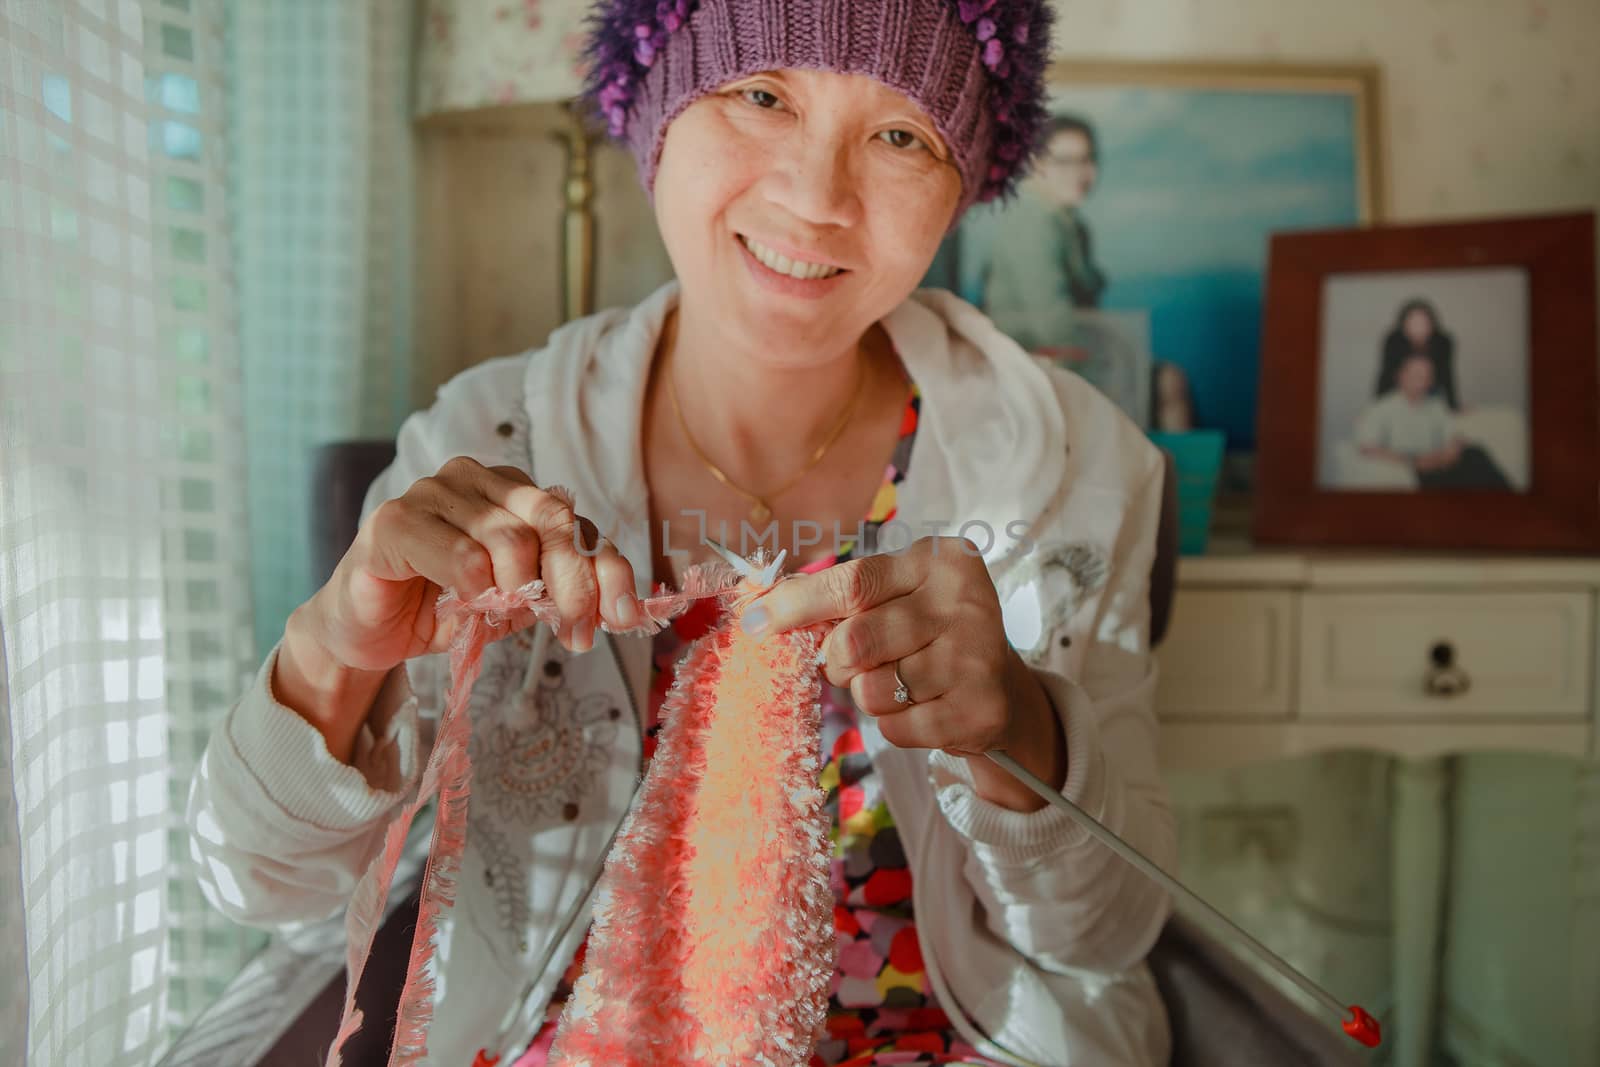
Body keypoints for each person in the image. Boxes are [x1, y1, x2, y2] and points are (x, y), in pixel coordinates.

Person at [186, 2, 1174, 1064]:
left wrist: (1022, 733)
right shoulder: (485, 438)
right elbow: (261, 883)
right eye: (761, 96)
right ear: (654, 114)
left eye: (900, 135)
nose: (814, 199)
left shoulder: (1073, 467)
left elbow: (1099, 936)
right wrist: (334, 652)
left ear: (963, 183)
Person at [973, 113, 1108, 352]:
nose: (1079, 172)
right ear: (1035, 165)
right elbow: (1053, 323)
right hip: (1029, 366)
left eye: (1087, 159)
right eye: (1064, 161)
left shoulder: (1070, 223)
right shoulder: (1032, 219)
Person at [1356, 353, 1509, 489]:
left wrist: (1453, 448)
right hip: (1414, 464)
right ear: (1400, 376)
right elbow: (1368, 447)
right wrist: (1413, 461)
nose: (1422, 379)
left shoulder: (1436, 405)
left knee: (1475, 453)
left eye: (1427, 375)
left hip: (1441, 460)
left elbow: (1451, 435)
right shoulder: (1381, 407)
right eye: (1416, 374)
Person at [1375, 298, 1460, 411]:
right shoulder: (1393, 341)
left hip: (1431, 392)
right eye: (1413, 323)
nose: (1418, 329)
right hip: (1400, 392)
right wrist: (1377, 405)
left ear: (1432, 324)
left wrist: (1453, 405)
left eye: (1423, 323)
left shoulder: (1443, 342)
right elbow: (1386, 373)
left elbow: (1446, 375)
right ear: (1403, 325)